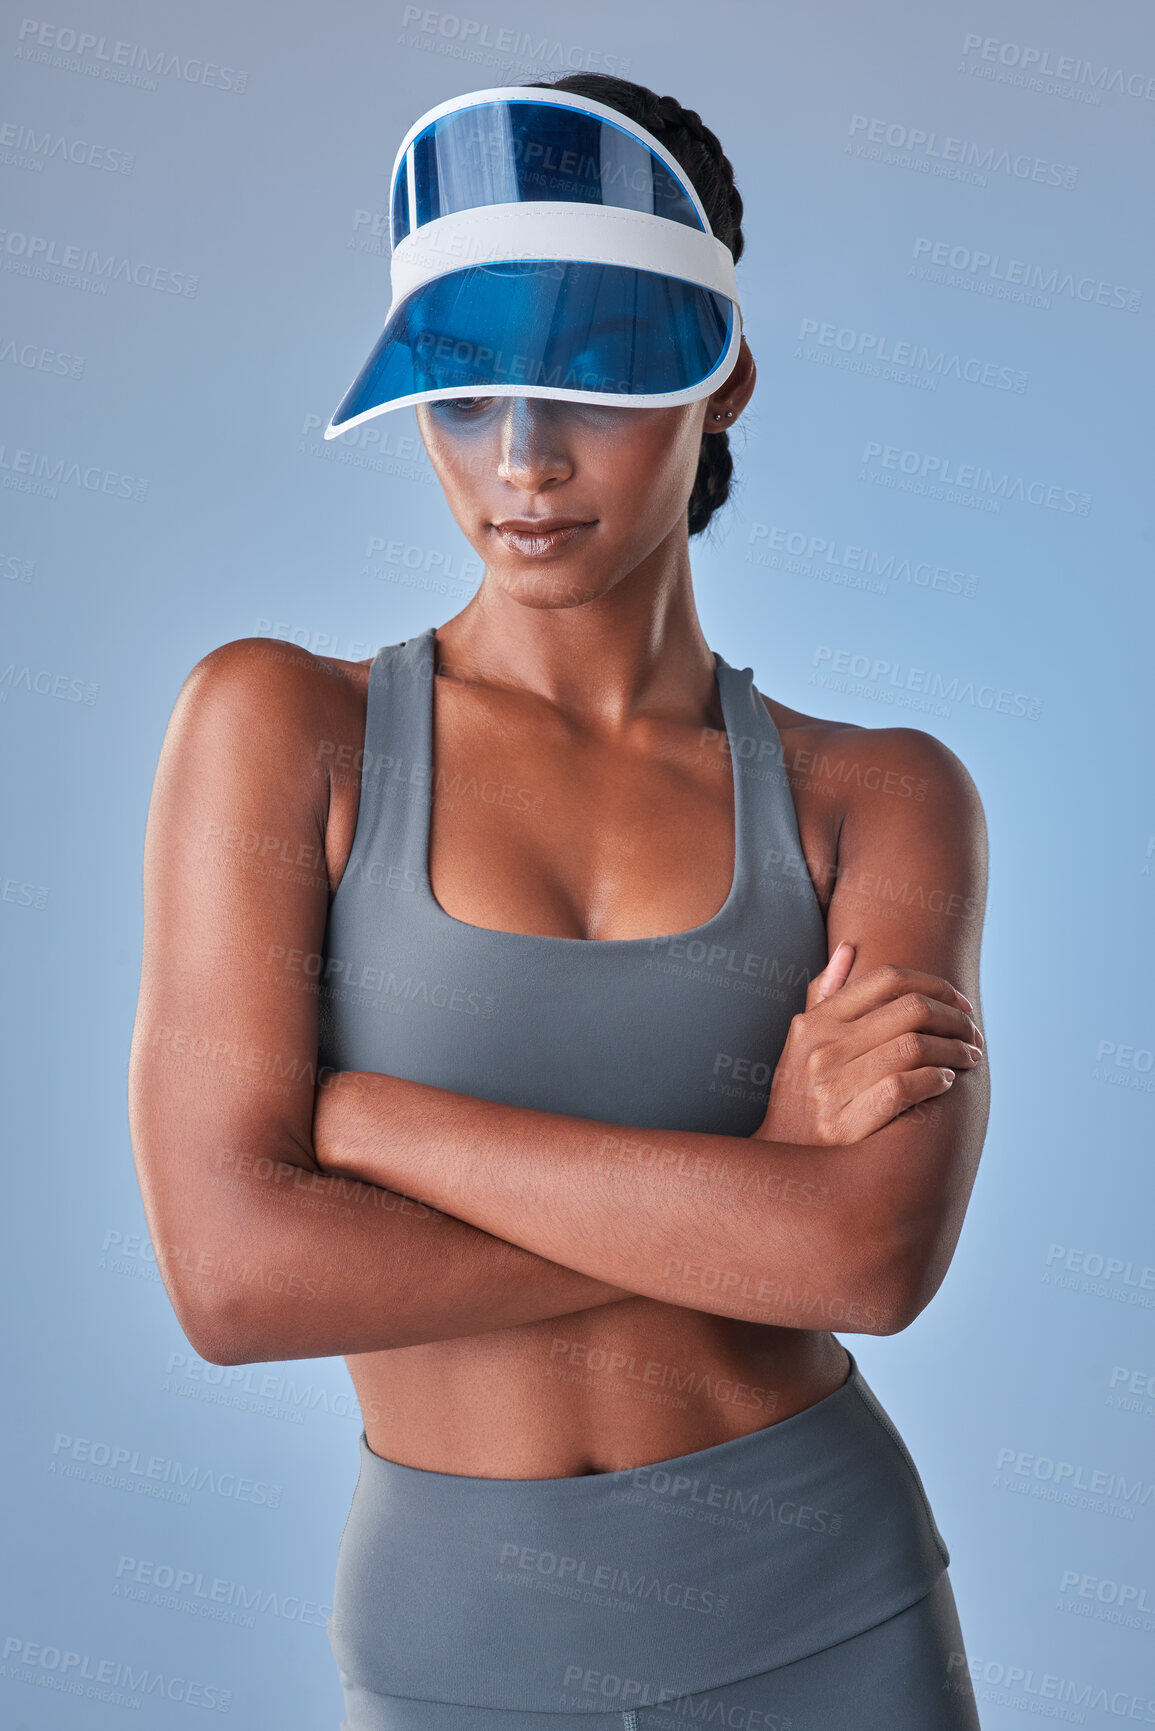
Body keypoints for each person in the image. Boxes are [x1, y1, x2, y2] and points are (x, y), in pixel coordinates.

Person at [129, 73, 988, 1730]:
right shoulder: (281, 729)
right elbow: (232, 1281)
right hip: (459, 1649)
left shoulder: (876, 795)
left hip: (829, 1609)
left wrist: (364, 1121)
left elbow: (868, 1258)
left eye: (590, 384)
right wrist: (746, 1209)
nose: (520, 464)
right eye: (461, 399)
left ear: (721, 379)